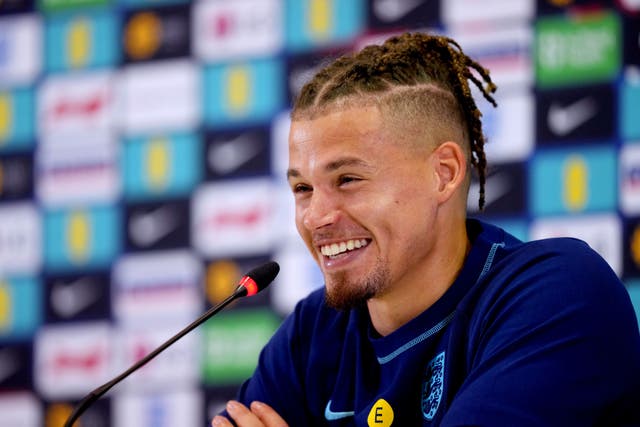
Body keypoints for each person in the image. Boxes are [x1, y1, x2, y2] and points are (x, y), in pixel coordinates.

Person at [211, 32, 640, 426]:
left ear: (444, 173)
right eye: (302, 188)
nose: (315, 216)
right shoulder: (313, 334)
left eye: (348, 180)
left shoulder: (560, 293)